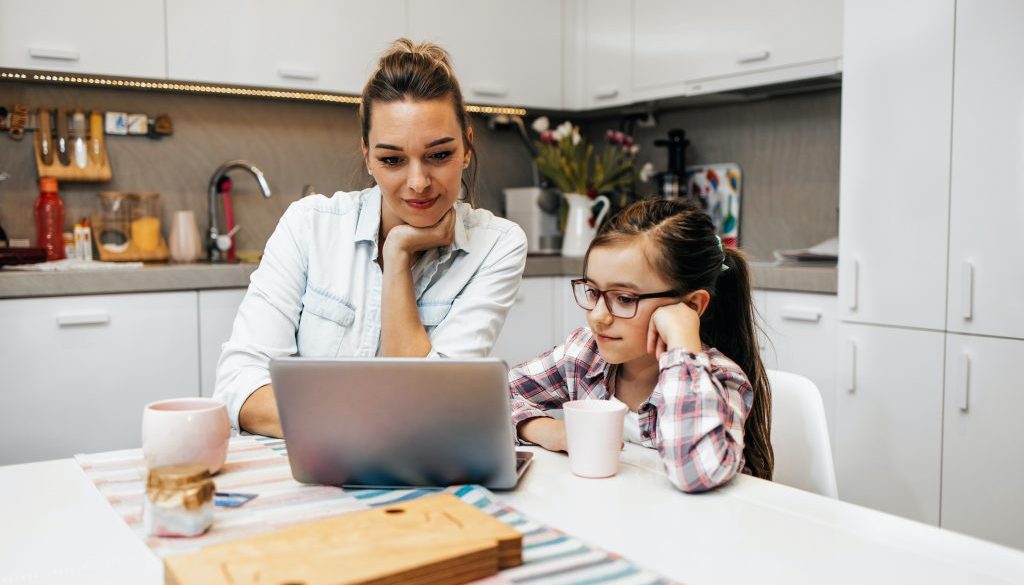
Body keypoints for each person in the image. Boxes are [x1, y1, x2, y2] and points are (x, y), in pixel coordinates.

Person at [214, 38, 527, 437]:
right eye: (392, 160)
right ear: (367, 156)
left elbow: (424, 401)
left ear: (467, 147)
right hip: (308, 467)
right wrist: (357, 427)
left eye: (439, 155)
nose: (418, 183)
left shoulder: (497, 246)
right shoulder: (309, 225)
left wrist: (397, 253)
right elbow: (239, 384)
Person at [508, 199, 772, 492]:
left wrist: (682, 345)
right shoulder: (584, 354)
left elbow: (697, 472)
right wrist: (545, 430)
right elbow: (490, 397)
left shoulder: (719, 377)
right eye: (593, 292)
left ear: (691, 305)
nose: (598, 316)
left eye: (624, 299)